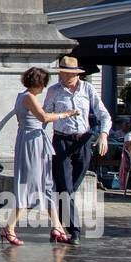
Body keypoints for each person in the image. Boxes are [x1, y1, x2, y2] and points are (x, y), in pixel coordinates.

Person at [1, 67, 77, 246]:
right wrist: (66, 114)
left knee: (47, 184)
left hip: (36, 141)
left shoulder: (24, 96)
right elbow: (43, 117)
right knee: (30, 185)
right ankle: (9, 227)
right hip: (31, 143)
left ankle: (57, 226)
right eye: (43, 83)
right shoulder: (28, 97)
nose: (44, 87)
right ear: (39, 83)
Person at [44, 57, 112, 243]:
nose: (66, 77)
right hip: (61, 140)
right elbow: (45, 115)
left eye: (70, 74)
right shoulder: (54, 91)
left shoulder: (88, 89)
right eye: (63, 74)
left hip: (83, 140)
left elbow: (103, 113)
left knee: (70, 186)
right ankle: (74, 230)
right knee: (66, 187)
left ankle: (57, 225)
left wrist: (104, 134)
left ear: (77, 74)